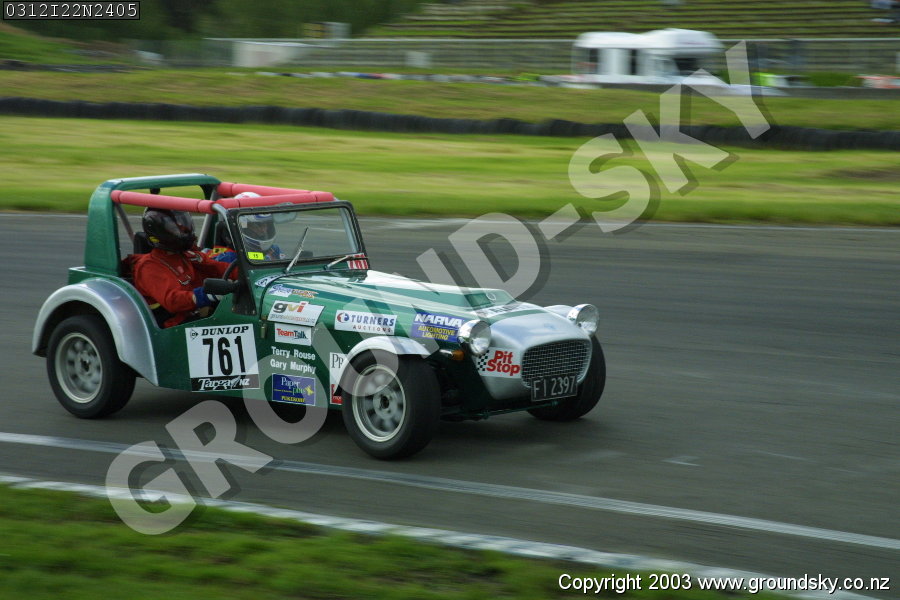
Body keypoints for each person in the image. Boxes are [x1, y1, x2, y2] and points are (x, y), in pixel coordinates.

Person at [133, 208, 231, 327]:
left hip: (199, 316)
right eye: (174, 226)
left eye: (183, 222)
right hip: (176, 325)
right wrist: (208, 295)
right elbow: (173, 301)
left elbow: (220, 268)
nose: (183, 229)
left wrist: (244, 274)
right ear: (159, 231)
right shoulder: (149, 267)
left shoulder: (187, 255)